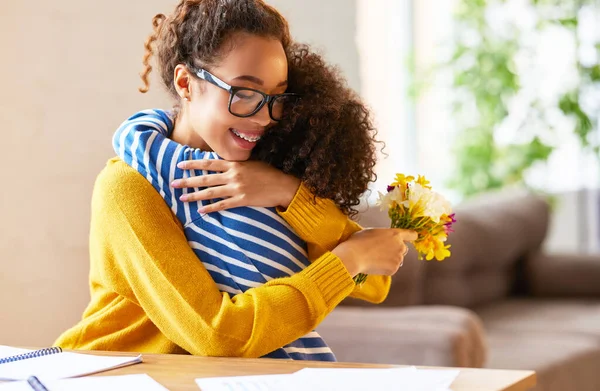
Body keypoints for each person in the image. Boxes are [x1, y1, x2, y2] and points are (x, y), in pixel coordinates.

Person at [55, 0, 416, 361]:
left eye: (276, 97)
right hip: (117, 375)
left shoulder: (265, 170)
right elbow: (219, 335)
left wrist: (287, 192)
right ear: (186, 83)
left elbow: (372, 278)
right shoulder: (129, 187)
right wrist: (348, 260)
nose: (263, 117)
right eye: (244, 93)